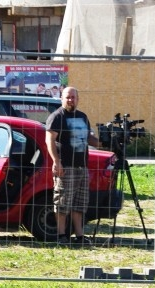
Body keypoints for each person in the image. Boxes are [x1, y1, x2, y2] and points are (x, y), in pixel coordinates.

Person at [45, 86, 100, 246]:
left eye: (73, 97)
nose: (71, 100)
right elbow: (49, 141)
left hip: (82, 166)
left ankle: (80, 236)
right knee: (62, 202)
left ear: (78, 99)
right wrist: (56, 161)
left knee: (79, 203)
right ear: (62, 98)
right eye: (68, 97)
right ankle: (62, 235)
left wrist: (106, 143)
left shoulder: (83, 117)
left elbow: (89, 138)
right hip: (65, 166)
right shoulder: (56, 117)